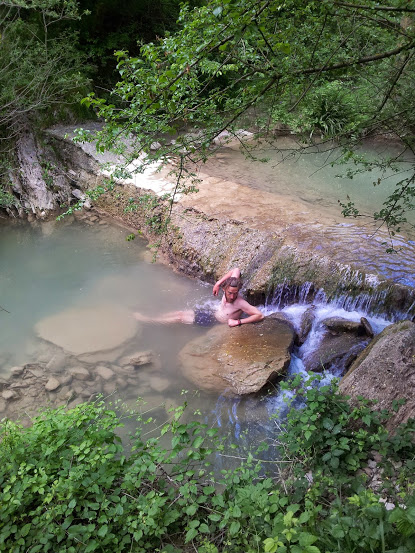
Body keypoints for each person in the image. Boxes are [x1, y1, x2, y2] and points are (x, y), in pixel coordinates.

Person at [133, 268, 264, 327]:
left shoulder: (240, 302)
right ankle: (155, 318)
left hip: (215, 321)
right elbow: (236, 269)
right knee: (180, 313)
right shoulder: (228, 286)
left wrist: (239, 322)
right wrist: (218, 283)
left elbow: (259, 315)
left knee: (179, 318)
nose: (232, 295)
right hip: (213, 313)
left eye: (235, 293)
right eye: (230, 292)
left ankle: (149, 320)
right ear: (226, 288)